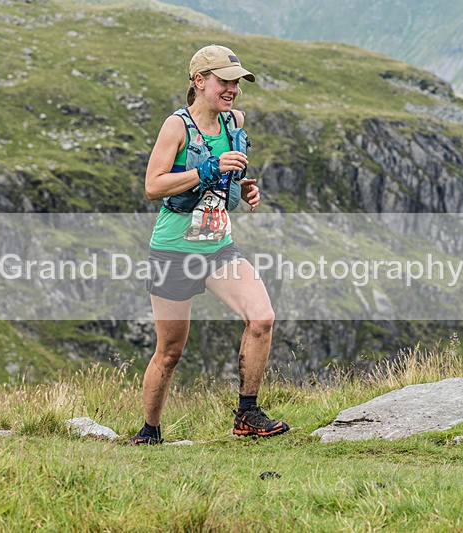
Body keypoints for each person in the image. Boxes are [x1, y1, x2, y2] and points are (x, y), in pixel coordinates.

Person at [132, 44, 290, 444]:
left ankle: (247, 414)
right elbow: (153, 186)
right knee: (170, 352)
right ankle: (149, 432)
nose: (232, 89)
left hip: (219, 247)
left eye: (237, 82)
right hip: (173, 251)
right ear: (200, 81)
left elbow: (224, 180)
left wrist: (243, 189)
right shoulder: (177, 127)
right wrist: (207, 169)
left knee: (262, 318)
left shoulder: (235, 122)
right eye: (225, 81)